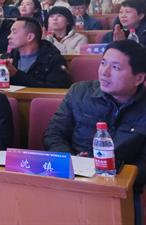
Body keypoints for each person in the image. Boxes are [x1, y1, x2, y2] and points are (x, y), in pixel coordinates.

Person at [43, 40, 146, 219]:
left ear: (139, 78)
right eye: (103, 63)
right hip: (72, 180)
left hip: (123, 190)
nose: (104, 72)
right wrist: (72, 162)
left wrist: (112, 174)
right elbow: (54, 134)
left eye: (115, 67)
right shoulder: (79, 93)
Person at [5, 17, 70, 88]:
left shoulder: (54, 60)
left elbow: (57, 89)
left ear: (30, 37)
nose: (9, 36)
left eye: (14, 32)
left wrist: (16, 74)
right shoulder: (9, 57)